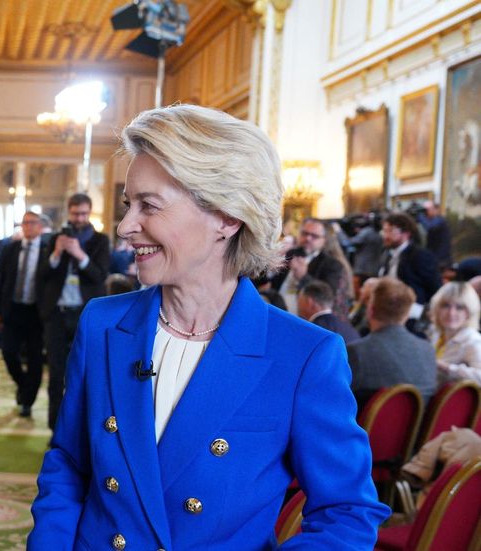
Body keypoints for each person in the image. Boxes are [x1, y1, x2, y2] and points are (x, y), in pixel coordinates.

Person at [28, 104, 388, 550]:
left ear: (226, 217)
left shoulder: (304, 355)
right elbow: (69, 462)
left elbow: (345, 513)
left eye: (149, 206)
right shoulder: (102, 324)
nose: (125, 226)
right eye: (128, 205)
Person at [37, 193, 110, 430]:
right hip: (57, 313)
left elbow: (100, 276)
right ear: (68, 212)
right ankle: (55, 428)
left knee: (83, 372)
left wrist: (79, 254)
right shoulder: (56, 238)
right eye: (75, 213)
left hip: (85, 314)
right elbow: (43, 274)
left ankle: (79, 429)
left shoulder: (100, 241)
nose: (79, 218)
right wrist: (57, 253)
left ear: (89, 214)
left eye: (83, 214)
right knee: (56, 373)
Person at [346, 277, 437, 410]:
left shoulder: (357, 352)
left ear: (370, 310)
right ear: (406, 315)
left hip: (363, 429)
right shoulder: (428, 350)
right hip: (416, 430)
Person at [0, 211, 48, 417]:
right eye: (25, 223)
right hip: (13, 310)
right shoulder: (11, 249)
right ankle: (23, 385)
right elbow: (1, 282)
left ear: (40, 226)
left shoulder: (48, 250)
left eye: (33, 223)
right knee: (8, 352)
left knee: (34, 359)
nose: (28, 226)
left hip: (37, 313)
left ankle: (27, 401)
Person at [270, 218, 350, 318]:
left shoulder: (332, 264)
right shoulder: (291, 253)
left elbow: (327, 297)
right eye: (305, 233)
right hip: (277, 310)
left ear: (324, 240)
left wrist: (303, 277)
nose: (308, 238)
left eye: (314, 236)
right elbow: (275, 283)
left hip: (305, 318)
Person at [379, 212, 441, 318]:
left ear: (406, 234)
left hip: (412, 316)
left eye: (390, 231)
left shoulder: (420, 256)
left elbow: (435, 288)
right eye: (384, 231)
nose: (385, 236)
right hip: (388, 314)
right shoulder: (387, 254)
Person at [427, 281, 481, 385]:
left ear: (469, 312)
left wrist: (447, 367)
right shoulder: (435, 332)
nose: (451, 313)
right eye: (445, 306)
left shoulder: (473, 341)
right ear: (437, 308)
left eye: (459, 307)